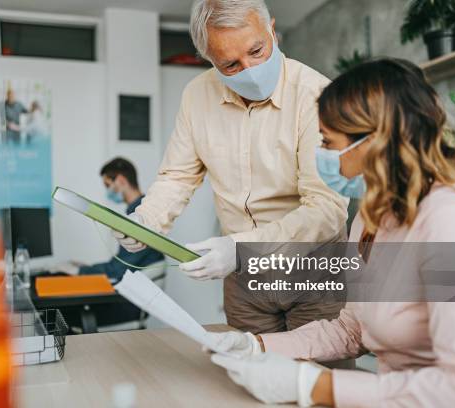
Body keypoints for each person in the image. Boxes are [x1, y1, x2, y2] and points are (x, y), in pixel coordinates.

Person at [207, 59, 455, 407]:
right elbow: (353, 329)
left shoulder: (452, 221)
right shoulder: (372, 218)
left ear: (376, 142)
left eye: (327, 142)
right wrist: (258, 346)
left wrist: (317, 387)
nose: (320, 155)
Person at [114, 0, 348, 335]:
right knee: (247, 376)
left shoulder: (318, 96)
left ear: (273, 31)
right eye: (231, 65)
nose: (250, 69)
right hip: (244, 284)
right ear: (210, 60)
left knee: (315, 380)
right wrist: (144, 220)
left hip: (314, 268)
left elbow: (326, 209)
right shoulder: (197, 96)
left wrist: (241, 249)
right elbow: (178, 177)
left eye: (257, 50)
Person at [79, 157, 165, 281]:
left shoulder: (141, 216)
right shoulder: (140, 210)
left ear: (121, 180)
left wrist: (81, 270)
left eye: (108, 185)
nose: (107, 191)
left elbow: (118, 269)